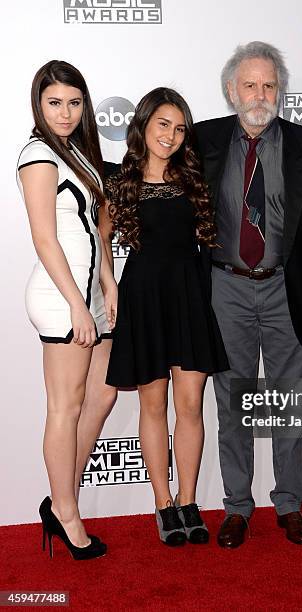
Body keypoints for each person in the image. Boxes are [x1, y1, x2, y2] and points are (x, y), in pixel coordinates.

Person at [194, 41, 302, 548]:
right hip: (225, 289)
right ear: (230, 91)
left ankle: (288, 504)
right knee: (232, 403)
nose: (260, 94)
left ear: (279, 90)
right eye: (250, 85)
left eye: (268, 84)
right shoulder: (201, 141)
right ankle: (237, 507)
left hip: (289, 288)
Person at [104, 87, 228, 547]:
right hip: (143, 301)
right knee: (152, 407)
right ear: (143, 125)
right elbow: (102, 242)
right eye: (163, 125)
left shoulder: (195, 180)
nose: (171, 136)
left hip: (189, 299)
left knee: (191, 406)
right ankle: (163, 504)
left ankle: (189, 499)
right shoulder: (119, 180)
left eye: (179, 129)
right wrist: (108, 285)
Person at [16, 60, 118, 560]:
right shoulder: (38, 155)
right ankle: (66, 513)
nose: (65, 111)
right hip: (62, 299)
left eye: (74, 102)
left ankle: (63, 496)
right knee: (66, 407)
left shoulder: (77, 151)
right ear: (39, 103)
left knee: (101, 396)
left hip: (90, 295)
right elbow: (44, 237)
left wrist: (108, 285)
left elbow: (97, 232)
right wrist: (78, 305)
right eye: (54, 102)